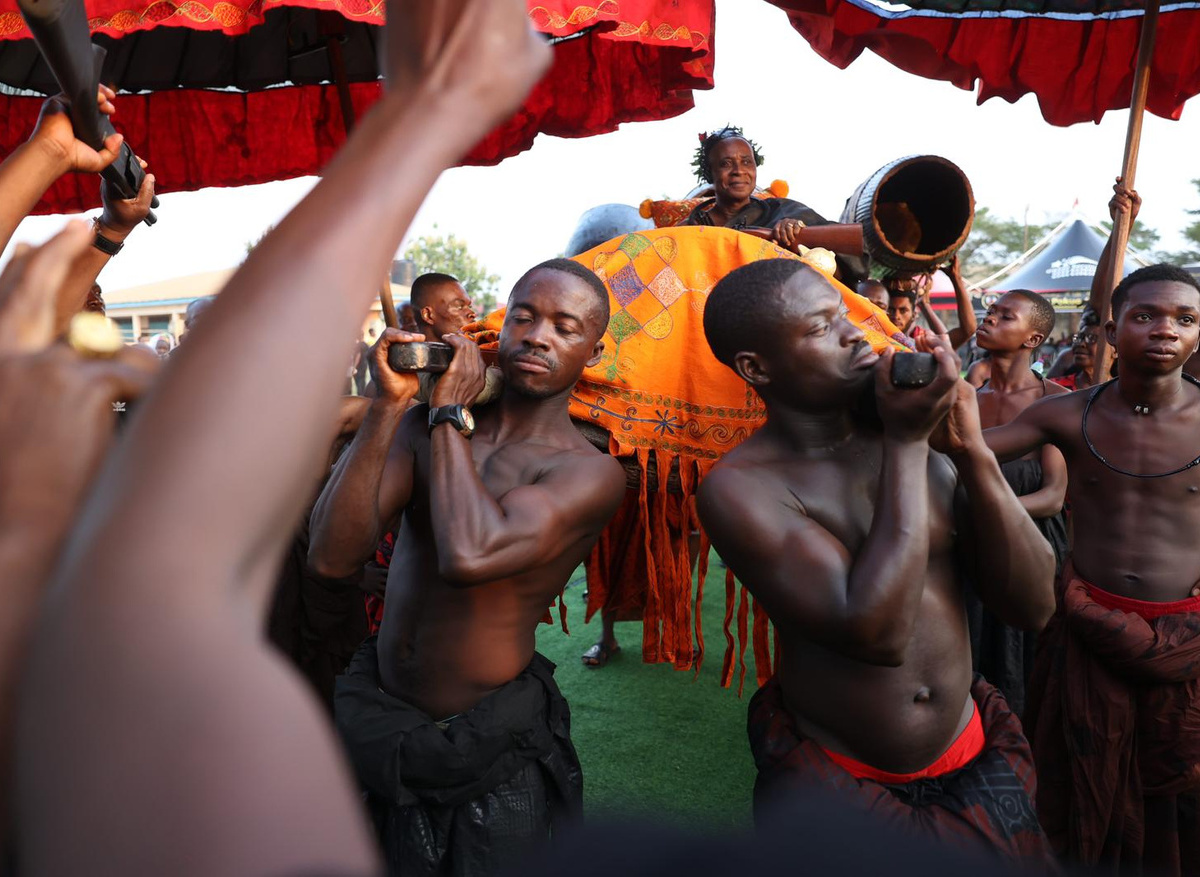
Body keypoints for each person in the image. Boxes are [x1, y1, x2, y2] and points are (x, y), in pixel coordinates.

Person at [13, 2, 552, 875]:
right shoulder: (147, 719)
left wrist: (77, 198)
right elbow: (179, 537)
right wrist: (425, 113)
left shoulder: (78, 679)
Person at [695, 259, 1056, 862]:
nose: (855, 333)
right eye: (819, 328)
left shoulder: (913, 428)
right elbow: (877, 633)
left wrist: (970, 452)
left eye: (843, 315)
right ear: (756, 368)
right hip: (846, 778)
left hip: (974, 747)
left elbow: (1034, 604)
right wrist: (908, 444)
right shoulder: (742, 487)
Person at [309, 258, 625, 875]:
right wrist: (386, 409)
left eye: (565, 326)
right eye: (526, 317)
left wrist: (448, 413)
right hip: (378, 716)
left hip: (483, 744)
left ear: (593, 350)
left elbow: (470, 555)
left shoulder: (586, 471)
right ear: (502, 328)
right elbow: (330, 556)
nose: (538, 335)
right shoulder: (424, 429)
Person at [979, 261, 1200, 873]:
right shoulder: (1065, 413)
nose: (1165, 329)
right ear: (1110, 329)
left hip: (1187, 639)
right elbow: (964, 445)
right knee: (1080, 784)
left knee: (1179, 797)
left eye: (1184, 319)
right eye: (1145, 315)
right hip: (1087, 630)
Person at [970, 290, 1069, 715]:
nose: (989, 318)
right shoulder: (966, 402)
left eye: (1004, 316)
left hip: (1032, 554)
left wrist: (979, 510)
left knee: (1027, 668)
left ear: (1032, 339)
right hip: (970, 554)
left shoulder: (1055, 400)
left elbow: (1052, 497)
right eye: (990, 311)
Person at [410, 271, 477, 339]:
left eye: (469, 306)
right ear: (428, 315)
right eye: (459, 306)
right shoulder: (406, 349)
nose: (473, 314)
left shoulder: (480, 347)